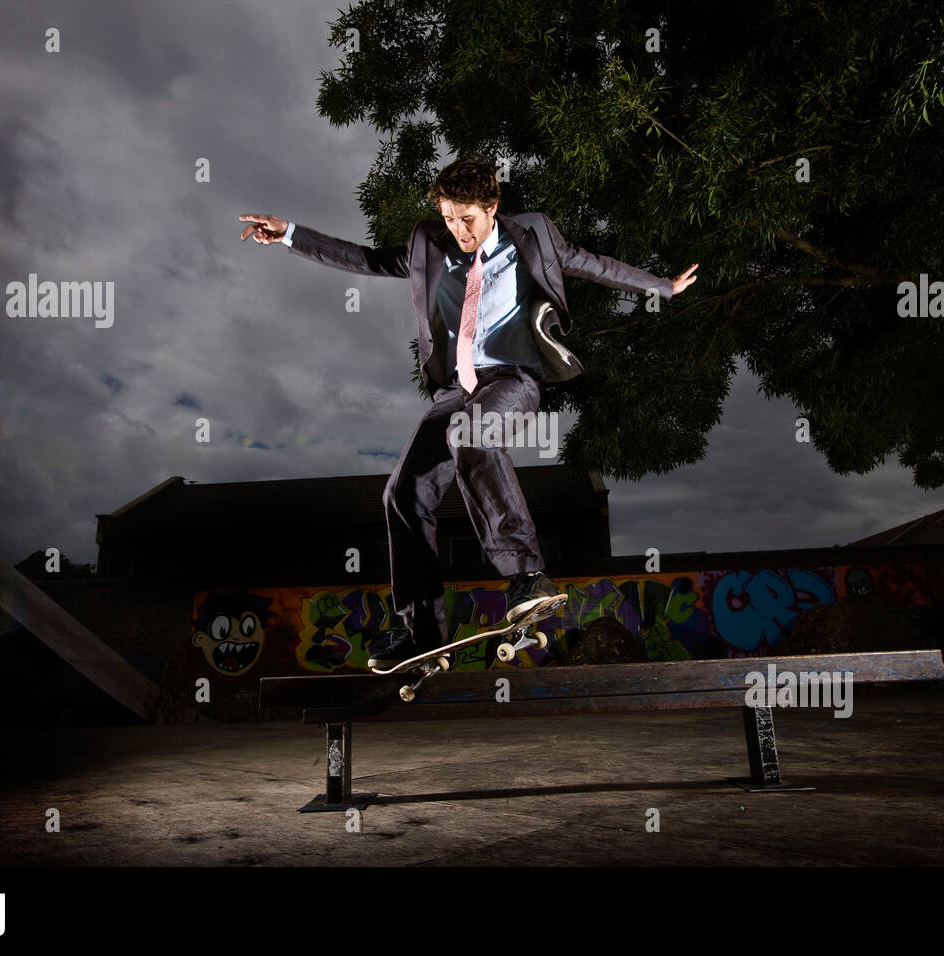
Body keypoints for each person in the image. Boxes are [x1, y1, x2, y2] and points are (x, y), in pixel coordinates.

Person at [240, 154, 698, 667]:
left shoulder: (535, 235)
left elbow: (593, 264)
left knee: (473, 438)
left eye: (468, 219)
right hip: (455, 391)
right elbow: (365, 259)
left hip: (512, 381)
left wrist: (663, 287)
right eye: (449, 218)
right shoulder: (427, 245)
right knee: (403, 494)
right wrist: (289, 235)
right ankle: (423, 634)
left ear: (493, 208)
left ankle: (527, 574)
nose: (457, 230)